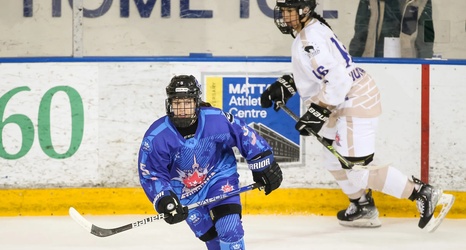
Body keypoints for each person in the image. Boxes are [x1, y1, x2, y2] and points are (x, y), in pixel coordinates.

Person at [261, 0, 453, 229]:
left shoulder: (309, 38)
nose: (283, 15)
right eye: (282, 10)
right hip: (344, 99)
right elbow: (325, 70)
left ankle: (422, 193)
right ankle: (362, 205)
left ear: (304, 11)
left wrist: (317, 112)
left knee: (357, 172)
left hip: (354, 100)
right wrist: (290, 84)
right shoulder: (312, 30)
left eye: (288, 11)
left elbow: (338, 79)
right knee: (332, 159)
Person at [138, 75, 283, 249]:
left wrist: (263, 163)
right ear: (169, 104)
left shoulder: (215, 119)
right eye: (177, 103)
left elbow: (242, 133)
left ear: (196, 102)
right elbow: (152, 173)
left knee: (230, 228)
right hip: (184, 191)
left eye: (188, 103)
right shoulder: (157, 136)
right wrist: (165, 199)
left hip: (219, 177)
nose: (182, 109)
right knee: (211, 236)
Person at [349, 0, 434, 58]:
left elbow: (426, 34)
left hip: (408, 62)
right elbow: (360, 31)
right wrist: (354, 59)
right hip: (375, 60)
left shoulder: (420, 1)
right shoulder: (371, 1)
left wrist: (427, 62)